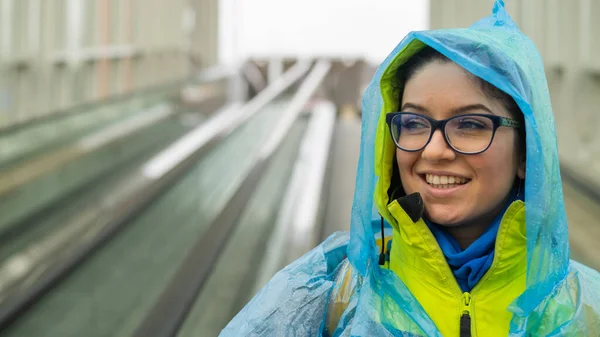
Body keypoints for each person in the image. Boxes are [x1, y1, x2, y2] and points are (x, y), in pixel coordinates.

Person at [221, 1, 600, 336]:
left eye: (470, 124)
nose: (434, 151)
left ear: (526, 154)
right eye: (415, 123)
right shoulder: (332, 291)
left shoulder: (582, 309)